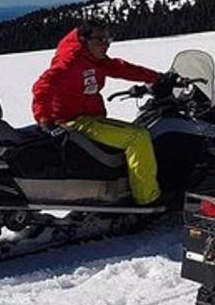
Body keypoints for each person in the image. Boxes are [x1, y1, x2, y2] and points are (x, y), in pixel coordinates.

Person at [31, 21, 167, 205]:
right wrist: (44, 119)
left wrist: (156, 77)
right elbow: (43, 86)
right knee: (138, 136)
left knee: (132, 131)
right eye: (100, 39)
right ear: (83, 40)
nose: (106, 43)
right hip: (74, 121)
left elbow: (120, 68)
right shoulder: (71, 61)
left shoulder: (93, 59)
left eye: (108, 38)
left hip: (87, 118)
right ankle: (147, 198)